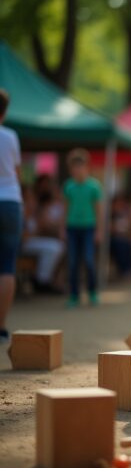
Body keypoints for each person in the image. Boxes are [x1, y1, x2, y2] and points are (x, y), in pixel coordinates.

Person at [63, 149, 103, 307]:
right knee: (72, 261)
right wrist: (62, 228)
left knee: (88, 260)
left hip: (89, 228)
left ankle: (92, 291)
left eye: (80, 167)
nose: (77, 170)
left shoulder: (94, 186)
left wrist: (99, 230)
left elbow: (99, 210)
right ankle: (74, 294)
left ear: (86, 167)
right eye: (74, 167)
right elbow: (65, 208)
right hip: (72, 228)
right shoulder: (68, 186)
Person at [0, 89, 22, 343]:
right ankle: (2, 325)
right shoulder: (10, 136)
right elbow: (16, 174)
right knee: (7, 266)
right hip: (10, 201)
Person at [22, 175, 65, 292]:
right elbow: (25, 236)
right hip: (23, 244)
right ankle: (42, 281)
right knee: (54, 247)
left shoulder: (36, 209)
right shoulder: (23, 210)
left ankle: (49, 280)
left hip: (33, 241)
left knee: (58, 246)